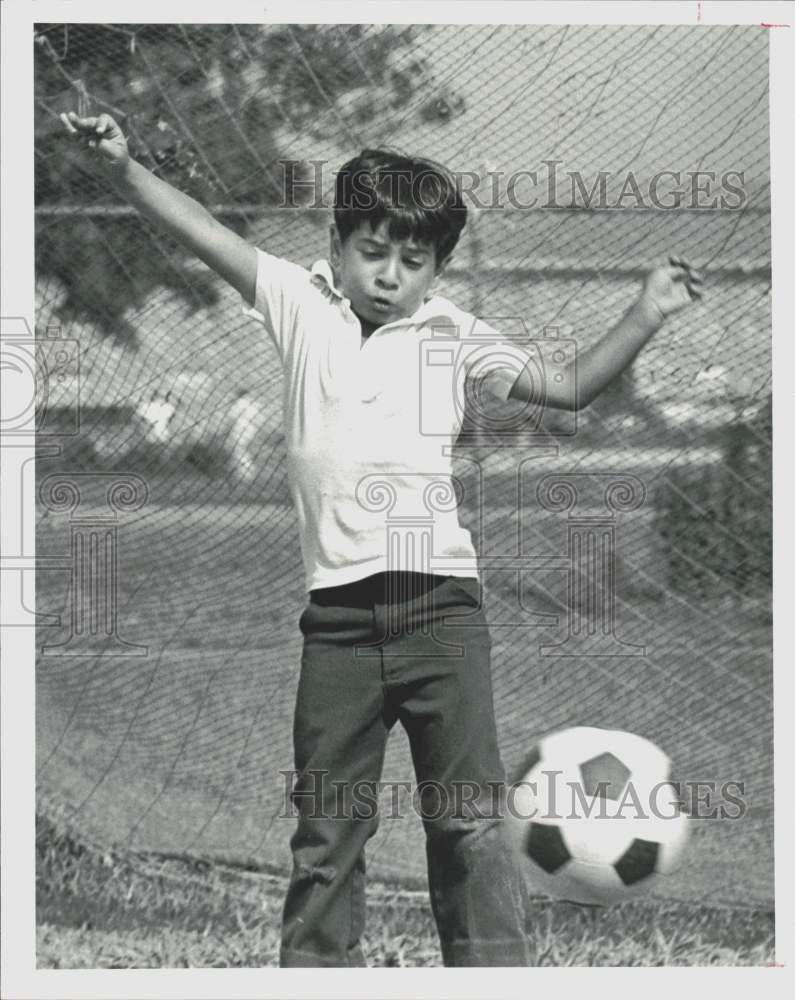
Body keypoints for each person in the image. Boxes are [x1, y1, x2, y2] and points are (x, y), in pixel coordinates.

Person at [59, 110, 703, 967]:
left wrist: (644, 312)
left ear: (435, 270)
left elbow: (570, 386)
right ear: (337, 243)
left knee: (469, 824)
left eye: (413, 260)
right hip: (338, 626)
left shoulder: (454, 335)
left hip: (442, 612)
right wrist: (122, 168)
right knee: (326, 830)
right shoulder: (296, 301)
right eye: (373, 251)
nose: (390, 275)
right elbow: (201, 229)